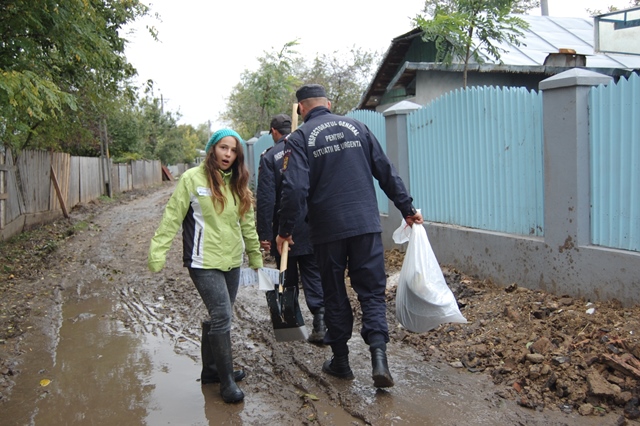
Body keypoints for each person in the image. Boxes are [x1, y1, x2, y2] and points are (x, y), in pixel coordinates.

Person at [275, 84, 423, 388]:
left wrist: (285, 231)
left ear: (301, 108)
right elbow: (386, 171)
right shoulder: (358, 127)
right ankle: (379, 358)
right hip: (365, 225)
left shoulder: (300, 138)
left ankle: (341, 361)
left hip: (327, 230)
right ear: (328, 103)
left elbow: (294, 188)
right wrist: (407, 208)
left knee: (334, 293)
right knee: (371, 291)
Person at [148, 128, 262, 404]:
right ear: (213, 149)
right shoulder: (192, 179)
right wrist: (157, 251)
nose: (228, 154)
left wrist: (255, 255)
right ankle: (226, 382)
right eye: (223, 147)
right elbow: (172, 216)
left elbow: (246, 222)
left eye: (234, 150)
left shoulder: (238, 182)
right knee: (222, 314)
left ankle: (212, 371)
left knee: (217, 316)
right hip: (202, 261)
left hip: (232, 260)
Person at [256, 114, 326, 344]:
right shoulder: (308, 148)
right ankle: (321, 321)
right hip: (312, 225)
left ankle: (291, 320)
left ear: (274, 132)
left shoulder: (269, 157)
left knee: (287, 275)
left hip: (283, 229)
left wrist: (265, 235)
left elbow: (266, 200)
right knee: (313, 274)